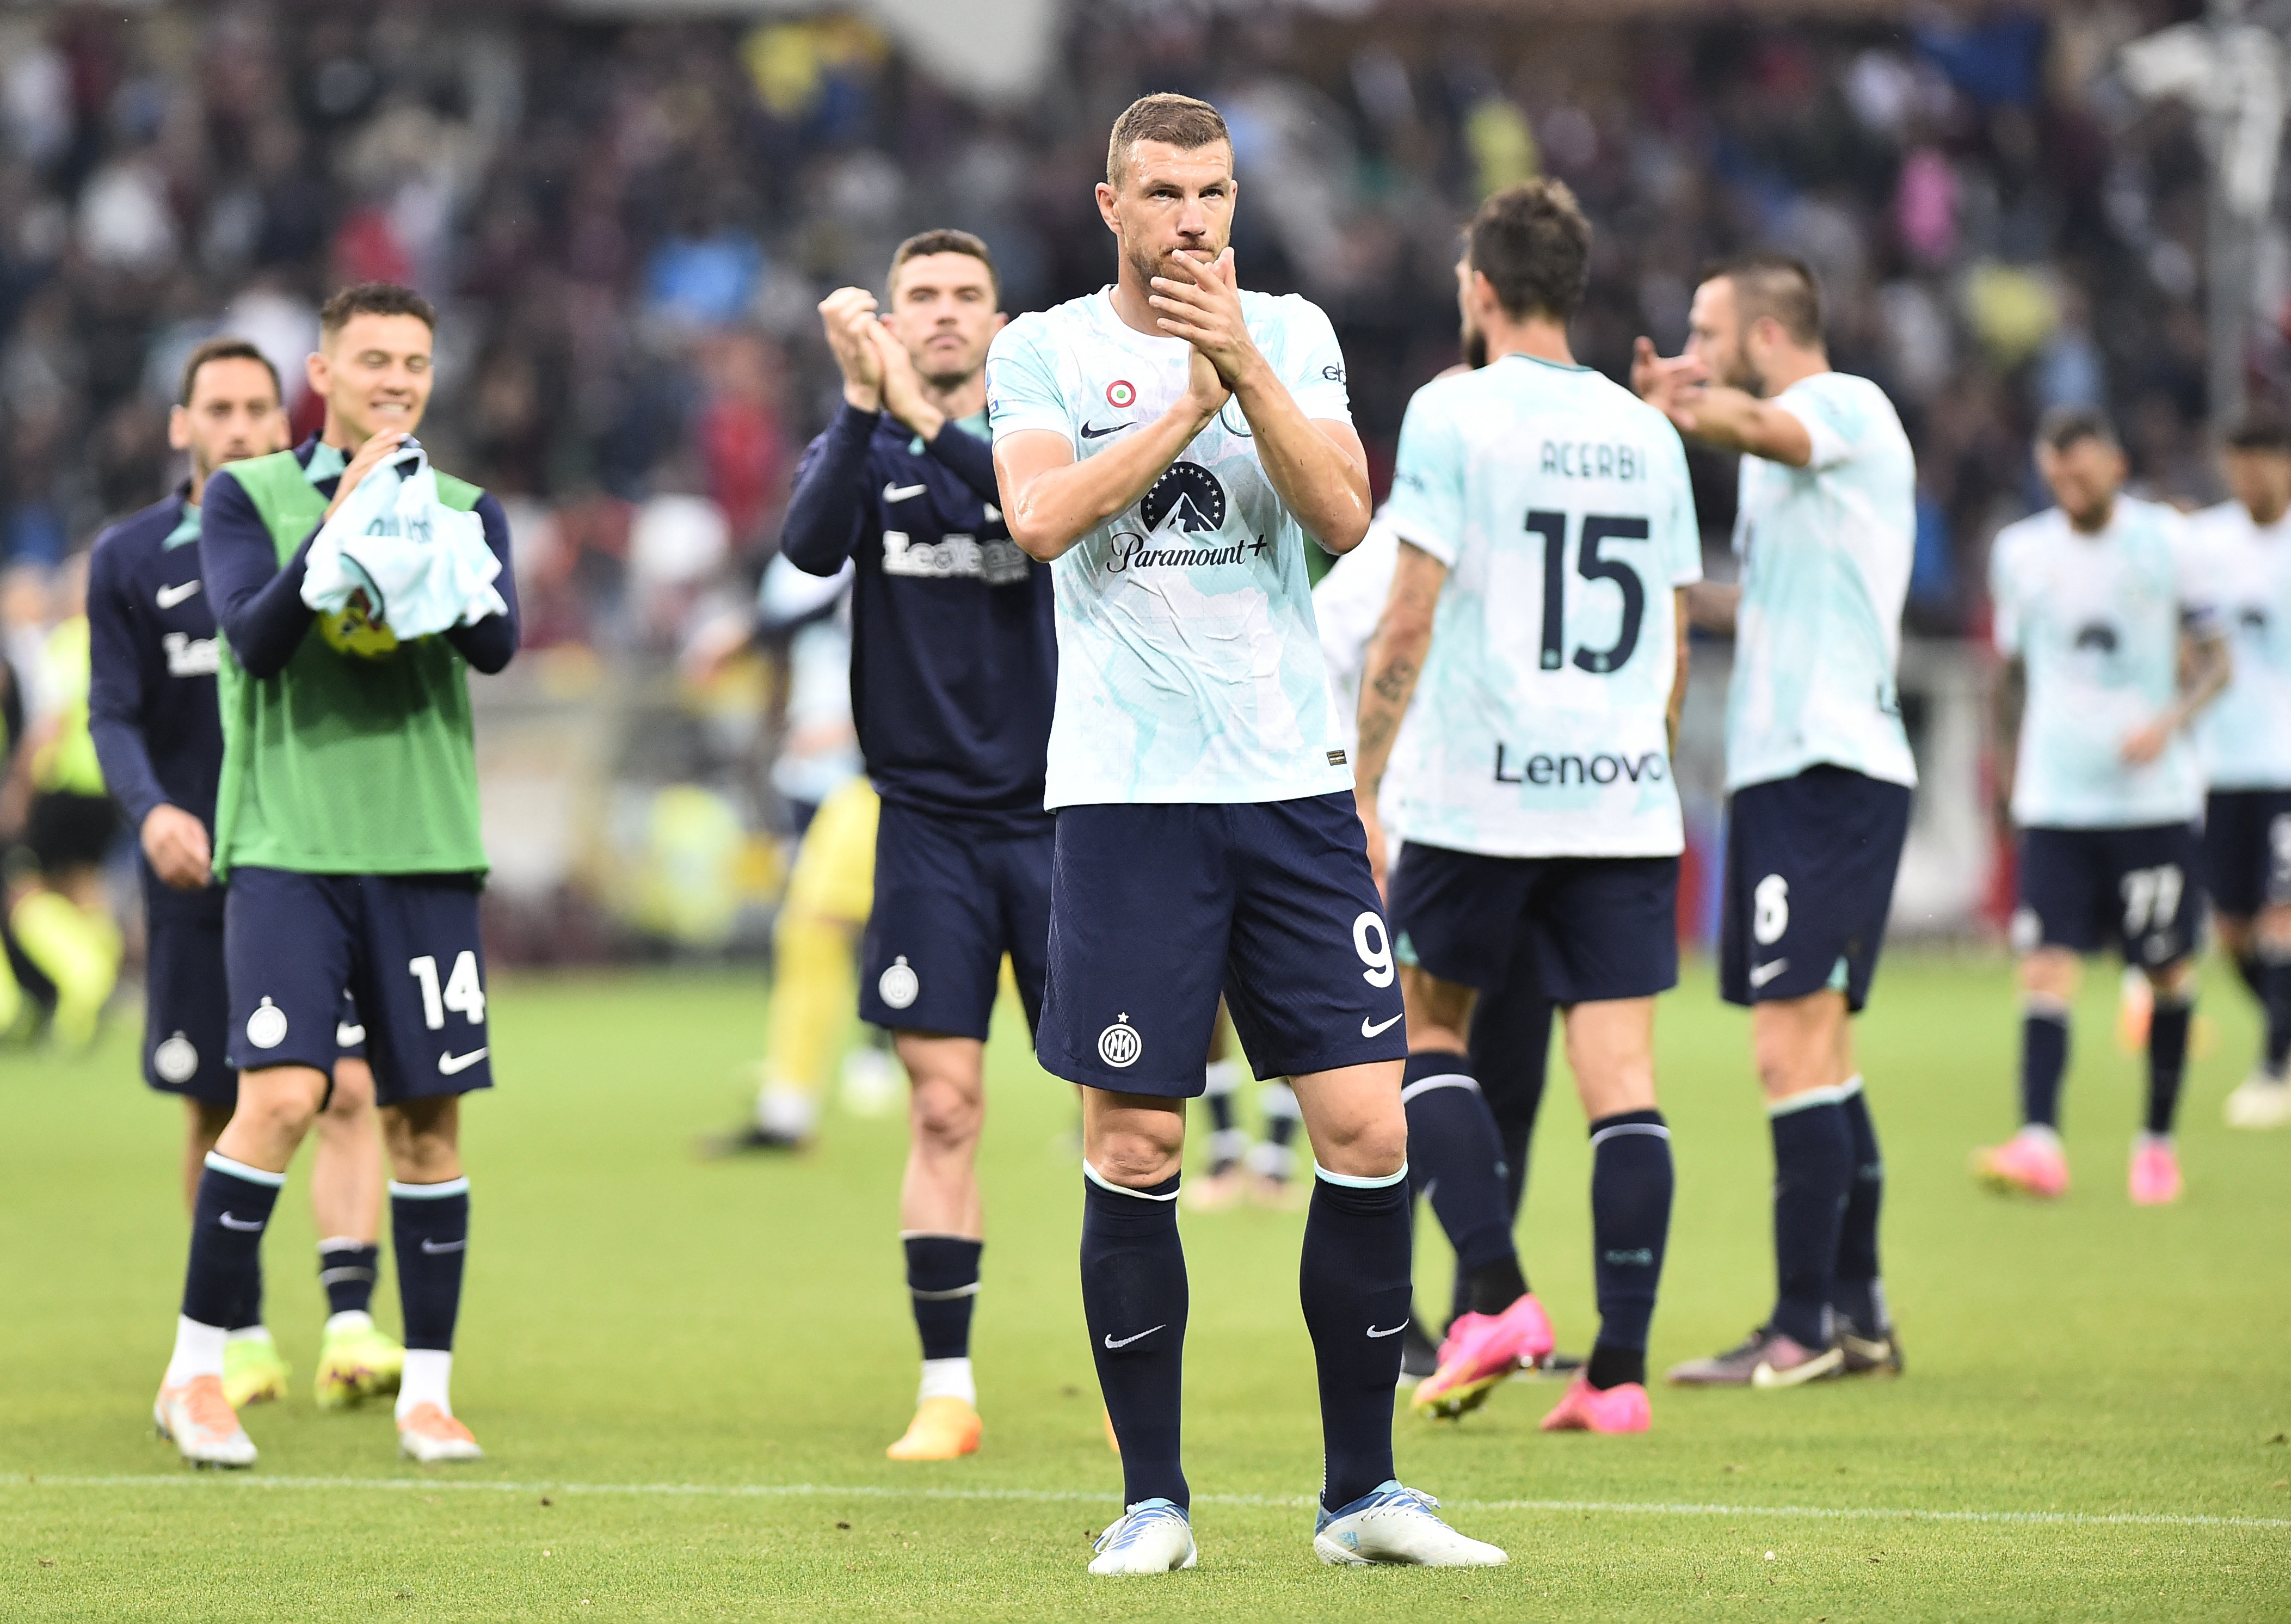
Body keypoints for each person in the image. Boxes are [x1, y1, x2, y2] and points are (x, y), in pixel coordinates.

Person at [989, 92, 1504, 1573]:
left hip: (1288, 785)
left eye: (1211, 190)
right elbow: (1038, 522)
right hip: (1126, 801)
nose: (1193, 218)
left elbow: (1346, 512)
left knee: (1365, 1123)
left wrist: (1242, 368)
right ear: (1111, 208)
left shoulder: (1292, 327)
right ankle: (1153, 1499)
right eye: (1162, 193)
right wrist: (1185, 405)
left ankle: (1361, 1496)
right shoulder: (1044, 352)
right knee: (1140, 1140)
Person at [151, 281, 517, 1468]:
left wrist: (424, 538)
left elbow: (495, 643)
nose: (397, 382)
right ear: (323, 372)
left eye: (413, 363)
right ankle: (196, 1372)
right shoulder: (244, 497)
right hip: (289, 849)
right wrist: (339, 525)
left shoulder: (465, 506)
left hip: (423, 849)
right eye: (373, 362)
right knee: (282, 1097)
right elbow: (250, 639)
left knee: (426, 1122)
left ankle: (428, 1391)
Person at [1354, 180, 1693, 1435]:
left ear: (1480, 289)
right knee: (1621, 1079)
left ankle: (1491, 1289)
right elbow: (1668, 642)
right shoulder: (1646, 434)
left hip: (1479, 790)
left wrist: (1363, 776)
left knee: (1421, 1038)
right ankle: (1617, 1374)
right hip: (1616, 797)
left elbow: (1409, 610)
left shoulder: (1453, 410)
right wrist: (1639, 770)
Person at [737, 230, 1058, 1463]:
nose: (938, 313)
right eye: (917, 295)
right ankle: (947, 1388)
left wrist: (915, 418)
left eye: (962, 295)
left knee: (1124, 1109)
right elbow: (809, 547)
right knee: (944, 1104)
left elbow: (1024, 519)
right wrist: (861, 407)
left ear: (996, 316)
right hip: (921, 827)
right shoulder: (867, 442)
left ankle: (1129, 1357)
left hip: (1056, 818)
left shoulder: (1042, 434)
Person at [88, 337, 403, 1413]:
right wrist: (152, 811)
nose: (236, 426)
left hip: (311, 856)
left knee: (348, 1085)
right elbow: (112, 711)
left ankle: (353, 1321)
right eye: (214, 407)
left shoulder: (319, 535)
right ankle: (243, 1327)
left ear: (286, 420)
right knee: (212, 1104)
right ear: (179, 424)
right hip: (193, 868)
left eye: (256, 408)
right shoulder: (129, 558)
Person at [1634, 254, 1915, 1388]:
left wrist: (1682, 408)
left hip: (1826, 765)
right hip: (1789, 766)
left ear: (1758, 336)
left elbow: (1766, 429)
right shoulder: (1786, 458)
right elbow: (1771, 598)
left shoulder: (1839, 405)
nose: (1687, 348)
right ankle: (1857, 1315)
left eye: (1702, 331)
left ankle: (1798, 1327)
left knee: (1783, 1042)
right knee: (1822, 1050)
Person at [1973, 408, 2228, 1202]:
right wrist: (2006, 768)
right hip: (2056, 801)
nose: (2067, 487)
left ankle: (2154, 1144)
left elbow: (2216, 662)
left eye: (2080, 472)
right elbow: (2010, 674)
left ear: (2115, 465)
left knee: (2165, 971)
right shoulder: (2020, 553)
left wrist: (2168, 724)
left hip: (2149, 802)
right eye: (2055, 476)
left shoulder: (2167, 543)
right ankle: (2039, 1142)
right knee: (2044, 968)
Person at [2188, 411, 2291, 1129]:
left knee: (2281, 919)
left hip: (2285, 763)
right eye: (2236, 465)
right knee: (2230, 929)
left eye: (2260, 463)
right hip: (2221, 765)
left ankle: (2272, 1069)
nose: (2248, 478)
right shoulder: (2206, 545)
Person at [0, 556, 122, 1049]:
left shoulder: (69, 645)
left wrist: (20, 790)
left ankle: (85, 980)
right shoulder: (116, 643)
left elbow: (50, 726)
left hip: (64, 789)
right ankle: (98, 978)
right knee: (84, 889)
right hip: (107, 789)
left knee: (23, 890)